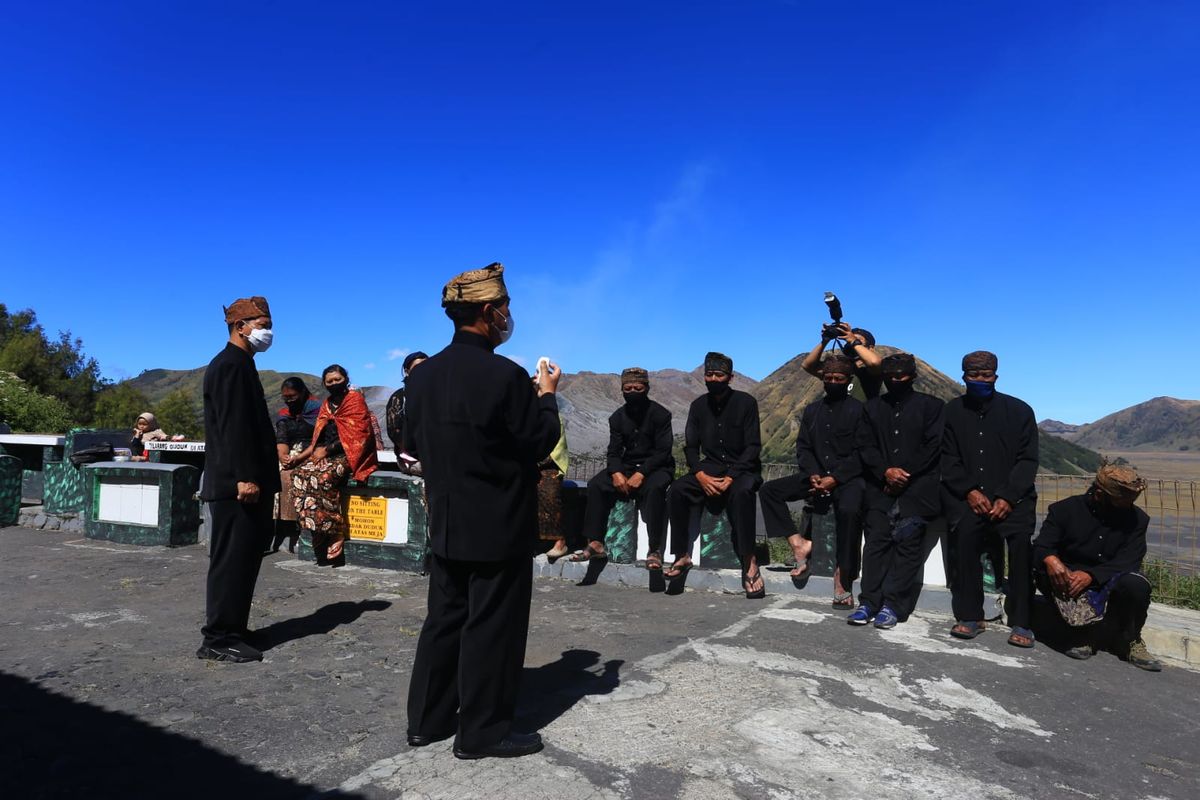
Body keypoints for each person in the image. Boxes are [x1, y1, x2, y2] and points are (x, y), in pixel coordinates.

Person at [404, 262, 561, 760]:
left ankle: (427, 721)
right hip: (497, 520)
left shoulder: (423, 377)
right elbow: (537, 440)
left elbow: (412, 441)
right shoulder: (507, 376)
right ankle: (483, 732)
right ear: (491, 311)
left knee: (444, 619)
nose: (508, 318)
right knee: (492, 624)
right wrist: (548, 398)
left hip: (447, 517)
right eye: (507, 309)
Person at [197, 295, 281, 663]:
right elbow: (234, 429)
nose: (267, 331)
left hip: (249, 484)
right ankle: (217, 639)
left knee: (245, 559)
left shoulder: (242, 364)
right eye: (261, 324)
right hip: (238, 486)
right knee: (232, 560)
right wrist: (245, 477)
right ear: (240, 327)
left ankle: (234, 628)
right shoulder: (231, 365)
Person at [941, 350, 1039, 648]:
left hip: (1015, 501)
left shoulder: (1020, 411)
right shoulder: (951, 412)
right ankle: (971, 616)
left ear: (996, 375)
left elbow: (1027, 460)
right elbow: (946, 457)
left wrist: (1007, 497)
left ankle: (1023, 622)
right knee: (964, 551)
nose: (980, 380)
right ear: (964, 376)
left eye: (986, 375)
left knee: (1021, 555)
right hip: (968, 499)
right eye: (974, 375)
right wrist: (970, 491)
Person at [759, 354, 870, 606]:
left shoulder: (859, 410)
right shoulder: (812, 410)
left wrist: (835, 478)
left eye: (838, 378)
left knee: (850, 509)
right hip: (815, 476)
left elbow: (862, 452)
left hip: (848, 479)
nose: (832, 382)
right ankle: (798, 544)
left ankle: (843, 574)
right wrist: (813, 474)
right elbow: (804, 448)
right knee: (769, 491)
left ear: (848, 380)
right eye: (828, 378)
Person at [1034, 464, 1163, 670]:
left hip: (1108, 577)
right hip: (1071, 579)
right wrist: (1051, 559)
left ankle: (1129, 639)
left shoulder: (1137, 520)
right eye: (1122, 500)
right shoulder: (1065, 510)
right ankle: (1082, 633)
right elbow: (1042, 546)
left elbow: (1130, 559)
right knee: (1050, 572)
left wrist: (1092, 576)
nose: (1129, 504)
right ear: (1100, 495)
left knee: (1136, 585)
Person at [851, 353, 945, 628]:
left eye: (900, 376)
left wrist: (905, 473)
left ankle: (893, 605)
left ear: (913, 376)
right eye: (890, 377)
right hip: (880, 490)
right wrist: (885, 471)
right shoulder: (872, 409)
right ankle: (868, 601)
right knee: (875, 545)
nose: (895, 381)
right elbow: (864, 446)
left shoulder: (932, 407)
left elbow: (933, 445)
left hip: (917, 491)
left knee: (908, 546)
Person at [666, 352, 764, 598]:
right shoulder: (698, 406)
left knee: (742, 493)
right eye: (709, 374)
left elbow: (753, 447)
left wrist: (731, 476)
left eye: (719, 375)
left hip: (742, 468)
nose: (713, 379)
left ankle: (750, 561)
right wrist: (699, 474)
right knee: (677, 490)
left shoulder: (746, 403)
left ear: (730, 377)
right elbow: (690, 447)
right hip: (708, 469)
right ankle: (681, 555)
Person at [573, 367, 674, 569]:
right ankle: (595, 541)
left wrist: (642, 473)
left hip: (656, 467)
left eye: (638, 387)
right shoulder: (617, 418)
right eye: (628, 388)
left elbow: (663, 452)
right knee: (596, 484)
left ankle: (654, 550)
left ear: (647, 388)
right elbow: (614, 451)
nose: (633, 392)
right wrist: (617, 472)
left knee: (655, 490)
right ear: (622, 389)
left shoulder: (661, 415)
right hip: (627, 466)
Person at [291, 365, 379, 567]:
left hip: (351, 454)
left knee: (324, 478)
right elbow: (320, 432)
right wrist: (318, 451)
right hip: (328, 453)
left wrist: (327, 451)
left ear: (346, 379)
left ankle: (335, 532)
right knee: (300, 474)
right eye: (329, 381)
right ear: (325, 384)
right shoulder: (327, 404)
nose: (333, 384)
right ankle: (317, 527)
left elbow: (360, 435)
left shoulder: (354, 400)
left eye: (337, 379)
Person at [268, 377, 320, 554]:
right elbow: (282, 439)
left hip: (311, 452)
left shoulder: (317, 411)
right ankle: (273, 530)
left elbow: (319, 440)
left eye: (292, 396)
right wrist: (283, 456)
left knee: (301, 478)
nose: (289, 400)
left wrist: (299, 458)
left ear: (302, 393)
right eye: (286, 397)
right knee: (275, 476)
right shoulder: (284, 414)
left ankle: (303, 530)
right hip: (289, 453)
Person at [800, 322, 883, 402]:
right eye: (848, 341)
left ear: (871, 348)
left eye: (859, 341)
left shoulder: (870, 372)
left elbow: (875, 362)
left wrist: (853, 341)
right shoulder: (841, 368)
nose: (851, 344)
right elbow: (807, 366)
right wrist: (825, 341)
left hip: (862, 415)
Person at [384, 351, 428, 474]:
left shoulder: (437, 393)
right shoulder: (398, 397)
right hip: (410, 457)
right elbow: (394, 431)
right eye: (417, 368)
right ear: (407, 371)